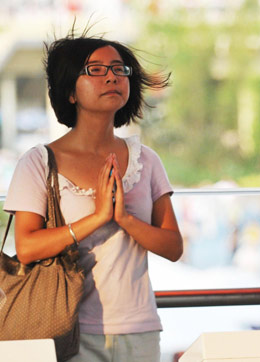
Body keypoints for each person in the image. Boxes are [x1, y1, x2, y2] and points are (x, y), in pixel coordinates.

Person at [3, 30, 183, 362]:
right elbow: (26, 247)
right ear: (70, 91)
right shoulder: (39, 162)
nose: (112, 77)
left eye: (119, 69)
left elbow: (173, 247)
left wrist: (124, 219)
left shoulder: (147, 160)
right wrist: (97, 218)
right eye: (95, 70)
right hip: (66, 328)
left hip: (139, 328)